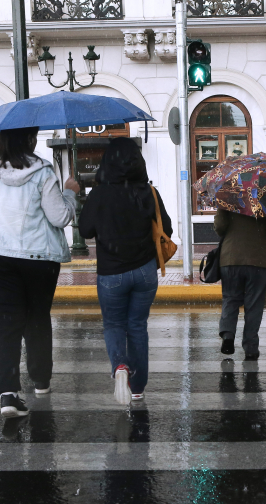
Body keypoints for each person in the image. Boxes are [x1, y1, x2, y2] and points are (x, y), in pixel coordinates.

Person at [0, 126, 79, 419]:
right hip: (37, 257)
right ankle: (41, 381)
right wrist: (70, 192)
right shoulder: (42, 172)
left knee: (3, 324)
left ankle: (8, 394)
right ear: (31, 139)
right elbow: (60, 216)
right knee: (37, 318)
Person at [79, 138, 172, 406]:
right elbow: (166, 227)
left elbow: (85, 231)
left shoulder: (100, 193)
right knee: (137, 327)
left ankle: (120, 365)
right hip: (145, 271)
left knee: (114, 324)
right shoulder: (148, 191)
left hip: (111, 273)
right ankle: (138, 386)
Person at [214, 209, 266, 360]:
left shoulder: (228, 197)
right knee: (254, 304)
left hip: (231, 258)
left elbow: (220, 225)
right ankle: (251, 347)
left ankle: (228, 335)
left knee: (230, 298)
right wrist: (260, 236)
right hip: (258, 259)